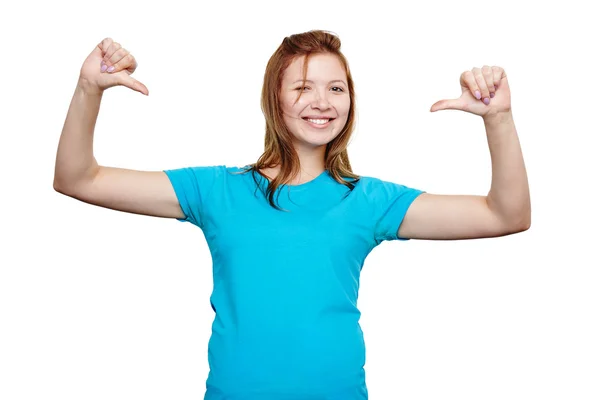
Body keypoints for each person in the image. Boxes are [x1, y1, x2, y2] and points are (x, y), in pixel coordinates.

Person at [53, 30, 530, 400]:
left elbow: (504, 215)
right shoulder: (217, 190)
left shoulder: (367, 200)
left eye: (336, 88)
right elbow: (78, 179)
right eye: (302, 86)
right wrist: (88, 88)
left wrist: (499, 119)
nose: (322, 102)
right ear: (274, 99)